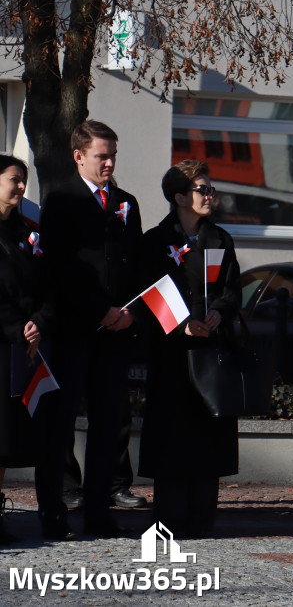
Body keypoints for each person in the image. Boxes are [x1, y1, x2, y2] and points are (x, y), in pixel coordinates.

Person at [36, 120, 143, 540]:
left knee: (108, 426)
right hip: (75, 330)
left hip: (116, 333)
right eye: (102, 155)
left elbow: (134, 262)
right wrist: (100, 309)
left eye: (113, 155)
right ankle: (53, 513)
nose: (109, 163)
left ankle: (99, 513)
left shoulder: (126, 202)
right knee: (60, 426)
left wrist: (131, 311)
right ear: (79, 156)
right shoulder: (61, 200)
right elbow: (60, 266)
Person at [138, 160, 241, 538]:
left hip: (211, 350)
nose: (210, 196)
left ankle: (201, 519)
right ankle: (169, 518)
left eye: (211, 189)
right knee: (172, 434)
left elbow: (232, 288)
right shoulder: (155, 240)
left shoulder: (219, 239)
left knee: (208, 434)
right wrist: (181, 324)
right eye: (202, 189)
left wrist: (219, 312)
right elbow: (147, 292)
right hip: (172, 353)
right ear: (180, 197)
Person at [0, 155, 53, 543]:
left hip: (20, 348)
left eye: (23, 180)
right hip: (5, 339)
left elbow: (46, 285)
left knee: (6, 437)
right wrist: (17, 328)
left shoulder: (26, 231)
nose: (21, 187)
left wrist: (39, 322)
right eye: (14, 179)